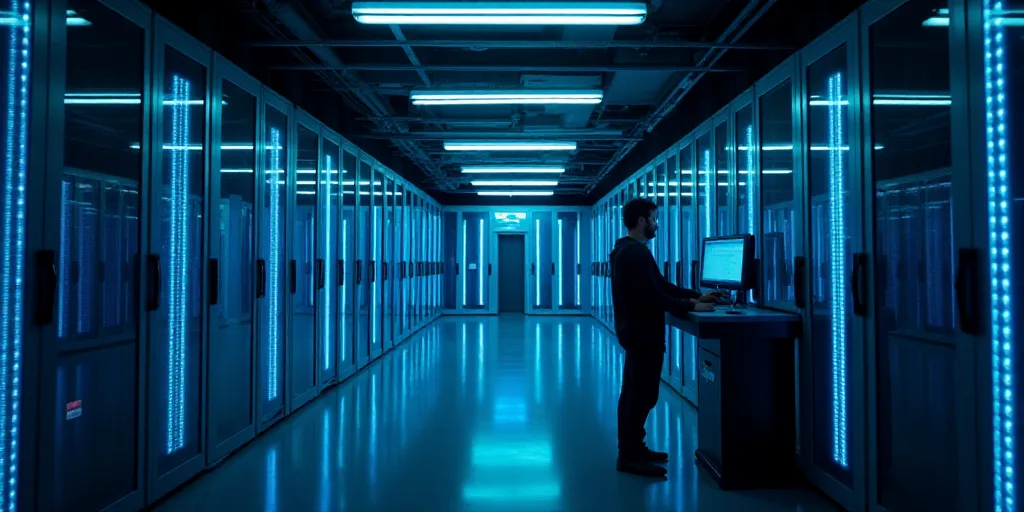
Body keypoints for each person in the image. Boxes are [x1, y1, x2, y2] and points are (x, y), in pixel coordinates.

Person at [610, 197, 722, 477]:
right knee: (642, 396)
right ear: (640, 221)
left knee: (634, 393)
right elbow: (654, 297)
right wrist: (693, 306)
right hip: (643, 335)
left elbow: (660, 285)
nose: (656, 224)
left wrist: (696, 295)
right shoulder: (635, 253)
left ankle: (634, 448)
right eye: (653, 218)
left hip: (634, 333)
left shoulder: (627, 249)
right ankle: (629, 457)